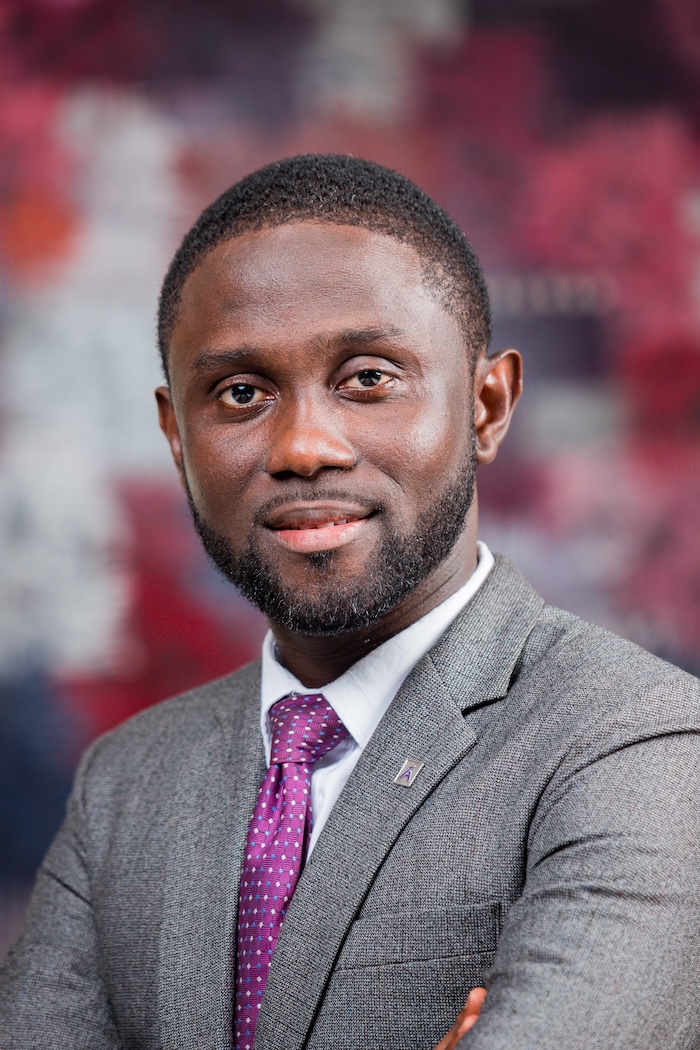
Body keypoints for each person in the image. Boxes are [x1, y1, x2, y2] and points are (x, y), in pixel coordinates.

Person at [1, 154, 700, 1050]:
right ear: (177, 434)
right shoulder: (126, 781)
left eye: (368, 378)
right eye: (241, 393)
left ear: (488, 405)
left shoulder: (641, 747)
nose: (303, 446)